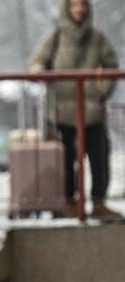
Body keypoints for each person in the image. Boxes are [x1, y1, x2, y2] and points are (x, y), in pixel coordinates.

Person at [28, 0, 121, 221]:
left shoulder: (97, 38)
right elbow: (36, 62)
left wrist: (102, 90)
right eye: (74, 5)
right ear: (67, 9)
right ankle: (69, 202)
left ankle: (99, 202)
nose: (79, 10)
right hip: (63, 112)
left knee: (99, 158)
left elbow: (112, 64)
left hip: (92, 111)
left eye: (82, 5)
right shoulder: (57, 37)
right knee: (66, 160)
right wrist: (45, 76)